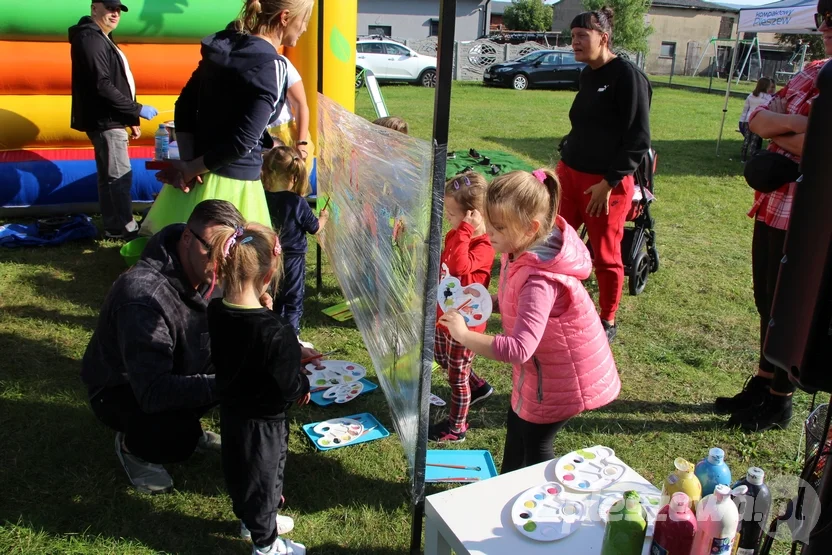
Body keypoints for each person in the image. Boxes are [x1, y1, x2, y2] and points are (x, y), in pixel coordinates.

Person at [438, 169, 620, 473]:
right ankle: (507, 489)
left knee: (536, 446)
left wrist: (464, 334)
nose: (489, 233)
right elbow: (517, 303)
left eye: (497, 227)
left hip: (558, 380)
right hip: (538, 374)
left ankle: (541, 507)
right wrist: (484, 303)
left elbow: (518, 349)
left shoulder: (540, 279)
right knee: (517, 428)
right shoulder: (520, 250)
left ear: (529, 227)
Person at [716, 3, 832, 433]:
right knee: (765, 300)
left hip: (811, 214)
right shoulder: (814, 70)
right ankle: (763, 383)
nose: (826, 29)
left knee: (793, 306)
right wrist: (801, 125)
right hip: (774, 203)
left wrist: (793, 132)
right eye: (822, 20)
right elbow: (758, 119)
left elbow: (821, 147)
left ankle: (781, 401)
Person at [81, 200, 243, 494]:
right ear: (186, 238)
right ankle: (133, 446)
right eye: (212, 250)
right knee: (174, 436)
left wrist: (283, 346)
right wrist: (229, 383)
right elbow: (153, 392)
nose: (222, 262)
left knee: (246, 361)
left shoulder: (208, 264)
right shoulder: (144, 298)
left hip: (179, 362)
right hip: (123, 388)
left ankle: (189, 425)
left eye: (230, 251)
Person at [142, 0, 314, 234]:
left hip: (197, 176)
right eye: (304, 20)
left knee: (184, 257)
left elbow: (184, 106)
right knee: (233, 263)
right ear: (285, 18)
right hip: (234, 185)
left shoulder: (223, 47)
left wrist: (190, 163)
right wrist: (191, 168)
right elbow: (242, 142)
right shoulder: (271, 66)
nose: (304, 28)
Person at [207, 222, 309, 555]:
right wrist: (301, 377)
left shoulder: (216, 310)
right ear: (268, 276)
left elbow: (246, 338)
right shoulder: (275, 331)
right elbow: (289, 384)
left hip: (233, 410)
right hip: (265, 422)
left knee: (242, 473)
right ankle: (265, 544)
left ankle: (252, 520)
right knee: (265, 480)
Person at [557, 7, 652, 343]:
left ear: (603, 38)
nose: (575, 43)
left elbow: (638, 139)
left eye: (582, 36)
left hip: (604, 185)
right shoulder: (587, 75)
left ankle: (607, 319)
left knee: (605, 255)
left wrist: (609, 183)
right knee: (557, 242)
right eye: (572, 37)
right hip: (570, 175)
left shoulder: (627, 76)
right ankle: (558, 303)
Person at [69, 0, 158, 239]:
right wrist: (136, 109)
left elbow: (114, 82)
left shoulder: (100, 37)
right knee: (119, 176)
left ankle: (113, 225)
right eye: (110, 8)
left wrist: (130, 117)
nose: (115, 13)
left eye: (118, 10)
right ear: (94, 7)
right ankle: (124, 227)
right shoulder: (91, 38)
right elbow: (102, 84)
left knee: (110, 176)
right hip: (105, 119)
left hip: (111, 118)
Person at [430, 172, 496, 443]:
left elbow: (458, 267)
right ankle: (479, 386)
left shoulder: (484, 247)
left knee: (457, 378)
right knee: (442, 359)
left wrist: (465, 231)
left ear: (473, 215)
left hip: (465, 324)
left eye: (453, 214)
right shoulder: (455, 235)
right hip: (445, 313)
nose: (449, 218)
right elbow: (446, 267)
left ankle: (457, 427)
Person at [262, 146, 328, 343]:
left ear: (266, 171)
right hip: (293, 260)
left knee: (272, 297)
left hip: (268, 257)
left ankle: (273, 333)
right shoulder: (297, 202)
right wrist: (323, 217)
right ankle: (291, 338)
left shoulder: (262, 197)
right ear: (294, 175)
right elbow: (314, 228)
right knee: (293, 300)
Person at [270, 56, 313, 172]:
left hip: (284, 137)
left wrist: (301, 142)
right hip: (254, 138)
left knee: (289, 183)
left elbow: (300, 105)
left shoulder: (281, 62)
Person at [739, 77, 774, 162]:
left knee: (747, 139)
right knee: (754, 141)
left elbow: (745, 109)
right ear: (766, 86)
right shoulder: (768, 98)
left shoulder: (751, 95)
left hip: (748, 119)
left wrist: (742, 120)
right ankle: (752, 158)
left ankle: (743, 157)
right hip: (758, 120)